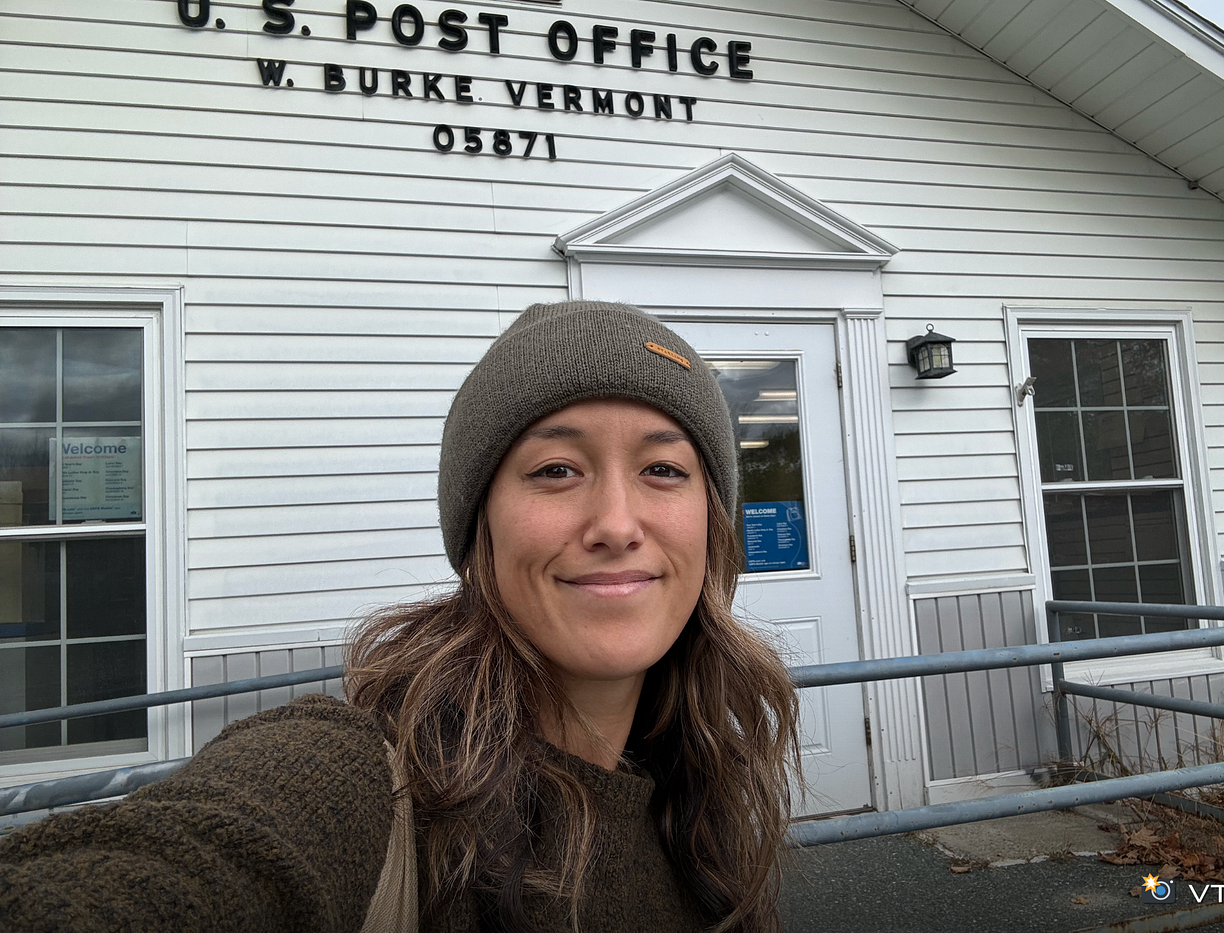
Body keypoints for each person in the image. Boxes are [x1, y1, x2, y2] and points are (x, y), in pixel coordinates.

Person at [0, 301, 802, 933]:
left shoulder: (712, 795)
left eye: (663, 468)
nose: (617, 522)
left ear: (712, 520)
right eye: (556, 468)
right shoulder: (360, 779)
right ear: (477, 528)